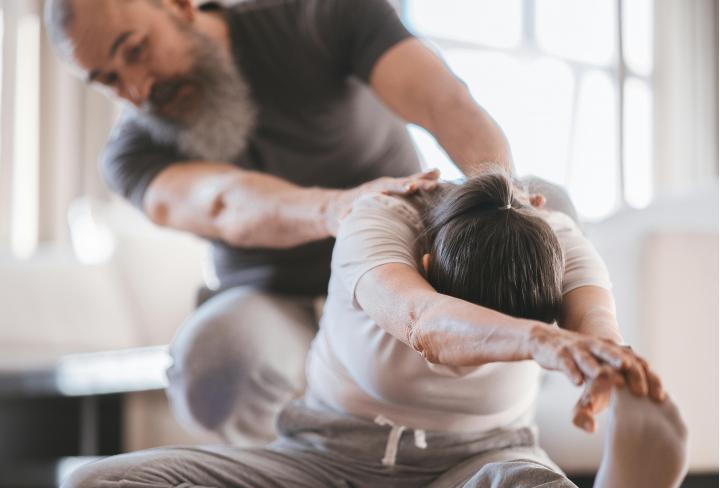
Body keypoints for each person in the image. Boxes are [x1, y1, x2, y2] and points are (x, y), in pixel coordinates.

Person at [57, 167, 688, 488]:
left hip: (479, 457)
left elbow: (599, 327)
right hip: (327, 456)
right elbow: (422, 319)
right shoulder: (380, 223)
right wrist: (536, 340)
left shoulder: (556, 240)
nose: (476, 365)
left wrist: (609, 367)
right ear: (427, 262)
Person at [44, 0, 523, 445]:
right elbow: (223, 204)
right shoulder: (130, 153)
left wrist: (500, 200)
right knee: (212, 363)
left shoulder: (320, 16)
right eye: (108, 80)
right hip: (275, 300)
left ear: (178, 5)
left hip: (406, 264)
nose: (138, 89)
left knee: (545, 204)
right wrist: (339, 209)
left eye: (136, 50)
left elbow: (447, 105)